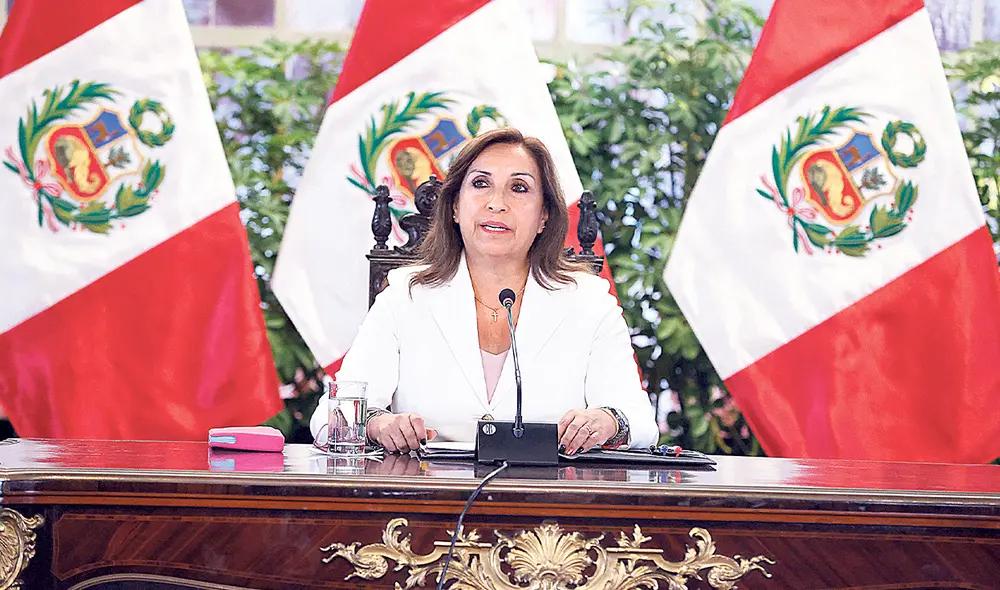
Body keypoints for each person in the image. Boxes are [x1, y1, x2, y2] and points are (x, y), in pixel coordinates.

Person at [310, 127, 658, 454]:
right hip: (427, 500)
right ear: (456, 208)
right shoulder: (406, 294)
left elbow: (640, 422)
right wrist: (377, 424)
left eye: (519, 188)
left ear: (544, 217)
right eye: (480, 184)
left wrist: (609, 421)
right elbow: (330, 417)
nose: (497, 203)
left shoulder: (588, 300)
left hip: (550, 504)